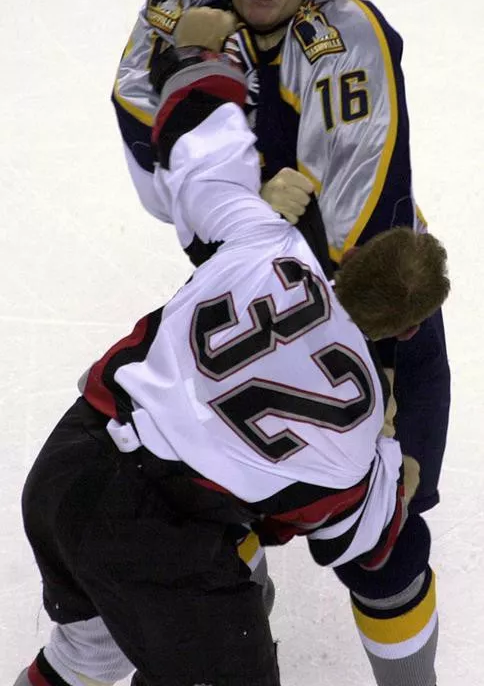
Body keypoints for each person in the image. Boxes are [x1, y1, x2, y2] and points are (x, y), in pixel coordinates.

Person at [15, 48, 449, 686]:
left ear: (351, 257)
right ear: (410, 329)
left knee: (91, 649)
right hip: (160, 541)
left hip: (67, 466)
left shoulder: (265, 238)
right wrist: (400, 471)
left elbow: (202, 154)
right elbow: (359, 537)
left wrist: (201, 59)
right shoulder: (357, 429)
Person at [112, 0, 451, 518]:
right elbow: (143, 140)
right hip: (252, 266)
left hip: (372, 284)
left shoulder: (344, 36)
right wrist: (244, 204)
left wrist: (378, 349)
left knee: (392, 514)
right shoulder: (183, 2)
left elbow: (362, 201)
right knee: (224, 469)